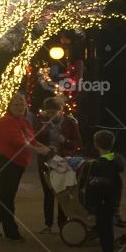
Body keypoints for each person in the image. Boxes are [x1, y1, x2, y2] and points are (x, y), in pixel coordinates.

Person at [0, 94, 48, 242]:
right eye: (16, 105)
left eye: (22, 104)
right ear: (10, 107)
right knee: (6, 198)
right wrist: (38, 150)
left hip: (16, 163)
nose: (19, 107)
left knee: (4, 197)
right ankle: (11, 232)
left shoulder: (24, 122)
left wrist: (43, 147)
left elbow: (31, 139)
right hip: (4, 162)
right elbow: (17, 142)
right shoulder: (5, 122)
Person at [35, 97, 81, 233]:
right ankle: (48, 224)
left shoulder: (70, 122)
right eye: (48, 112)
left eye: (54, 112)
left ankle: (63, 223)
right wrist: (43, 130)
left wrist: (65, 140)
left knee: (63, 192)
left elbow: (78, 142)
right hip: (45, 162)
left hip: (63, 161)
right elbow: (34, 138)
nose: (51, 115)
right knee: (48, 193)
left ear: (61, 110)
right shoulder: (42, 123)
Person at [84, 130, 125, 252]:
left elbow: (97, 185)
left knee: (105, 232)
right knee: (107, 230)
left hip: (103, 202)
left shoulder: (99, 164)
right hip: (112, 200)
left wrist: (91, 205)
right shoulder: (114, 160)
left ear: (96, 144)